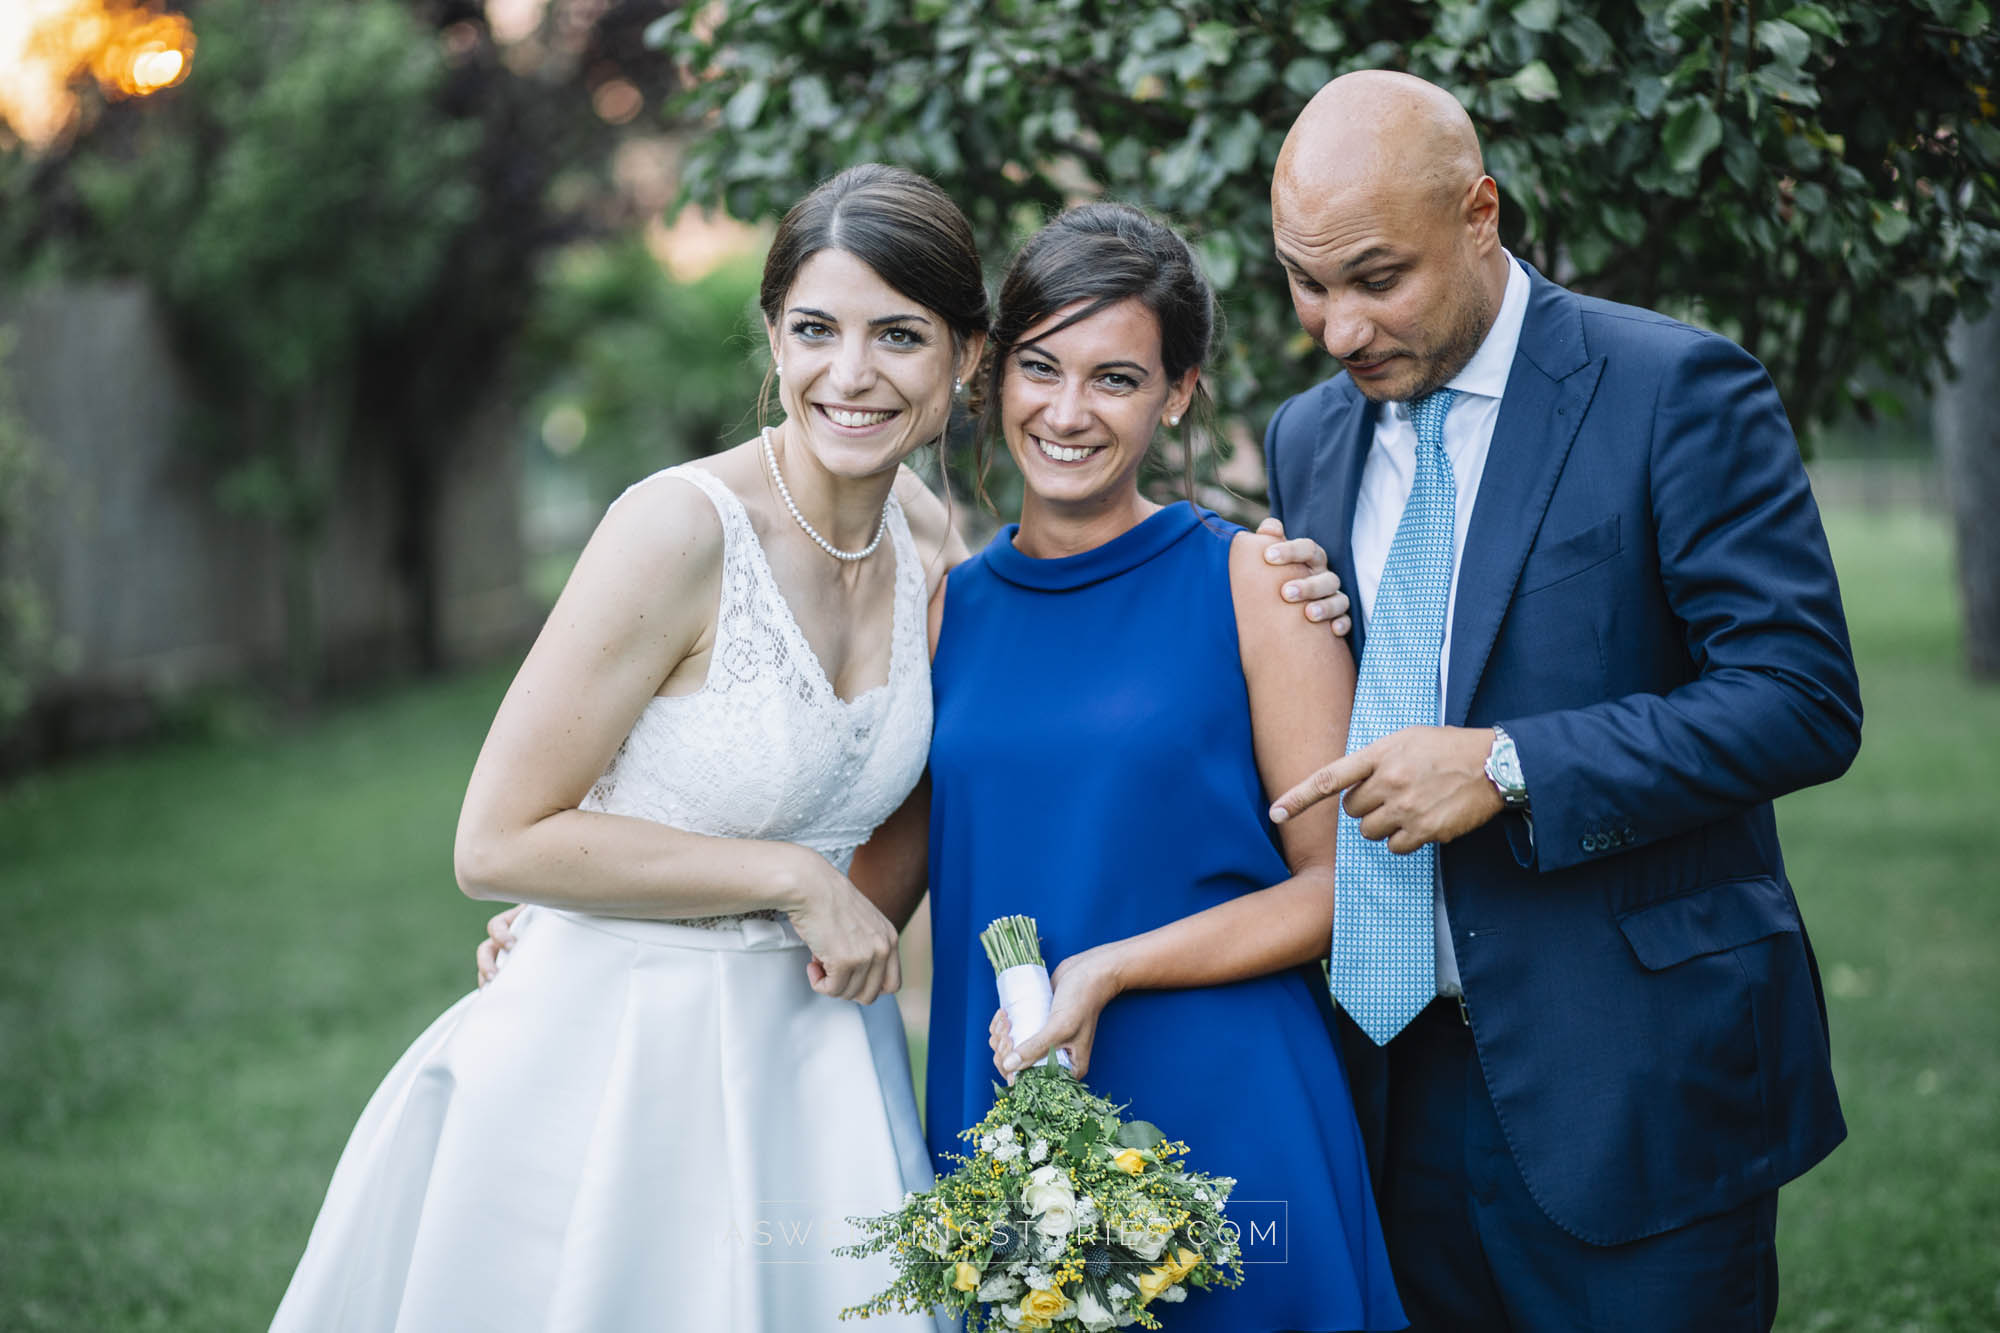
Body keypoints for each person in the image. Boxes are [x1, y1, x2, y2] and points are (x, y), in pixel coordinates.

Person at [271, 163, 989, 1332]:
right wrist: (792, 878)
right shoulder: (676, 531)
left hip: (818, 1068)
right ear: (771, 333)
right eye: (813, 329)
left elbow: (922, 798)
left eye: (897, 336)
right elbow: (496, 839)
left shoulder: (938, 545)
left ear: (963, 356)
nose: (849, 376)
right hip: (613, 1061)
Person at [1260, 72, 1863, 1331]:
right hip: (1385, 1077)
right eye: (1304, 283)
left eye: (1376, 278)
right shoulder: (1306, 437)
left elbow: (1798, 695)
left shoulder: (1673, 389)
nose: (1336, 328)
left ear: (1481, 214)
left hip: (1630, 1073)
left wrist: (1509, 765)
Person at [956, 204, 1405, 1332]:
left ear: (1177, 393)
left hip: (1229, 1102)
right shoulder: (941, 610)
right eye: (1039, 367)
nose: (1065, 412)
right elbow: (867, 878)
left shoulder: (1255, 584)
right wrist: (576, 930)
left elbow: (1337, 888)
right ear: (996, 372)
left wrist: (1107, 969)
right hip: (1016, 1114)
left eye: (1114, 378)